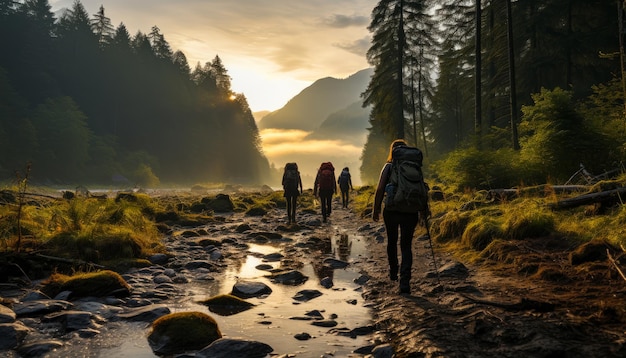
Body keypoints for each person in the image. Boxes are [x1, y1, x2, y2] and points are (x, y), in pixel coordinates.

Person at [372, 139, 421, 294]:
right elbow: (420, 188)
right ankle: (405, 282)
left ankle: (394, 272)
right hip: (411, 211)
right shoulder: (415, 166)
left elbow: (380, 189)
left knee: (392, 241)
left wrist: (376, 208)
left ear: (393, 151)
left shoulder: (389, 166)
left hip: (392, 209)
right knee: (406, 245)